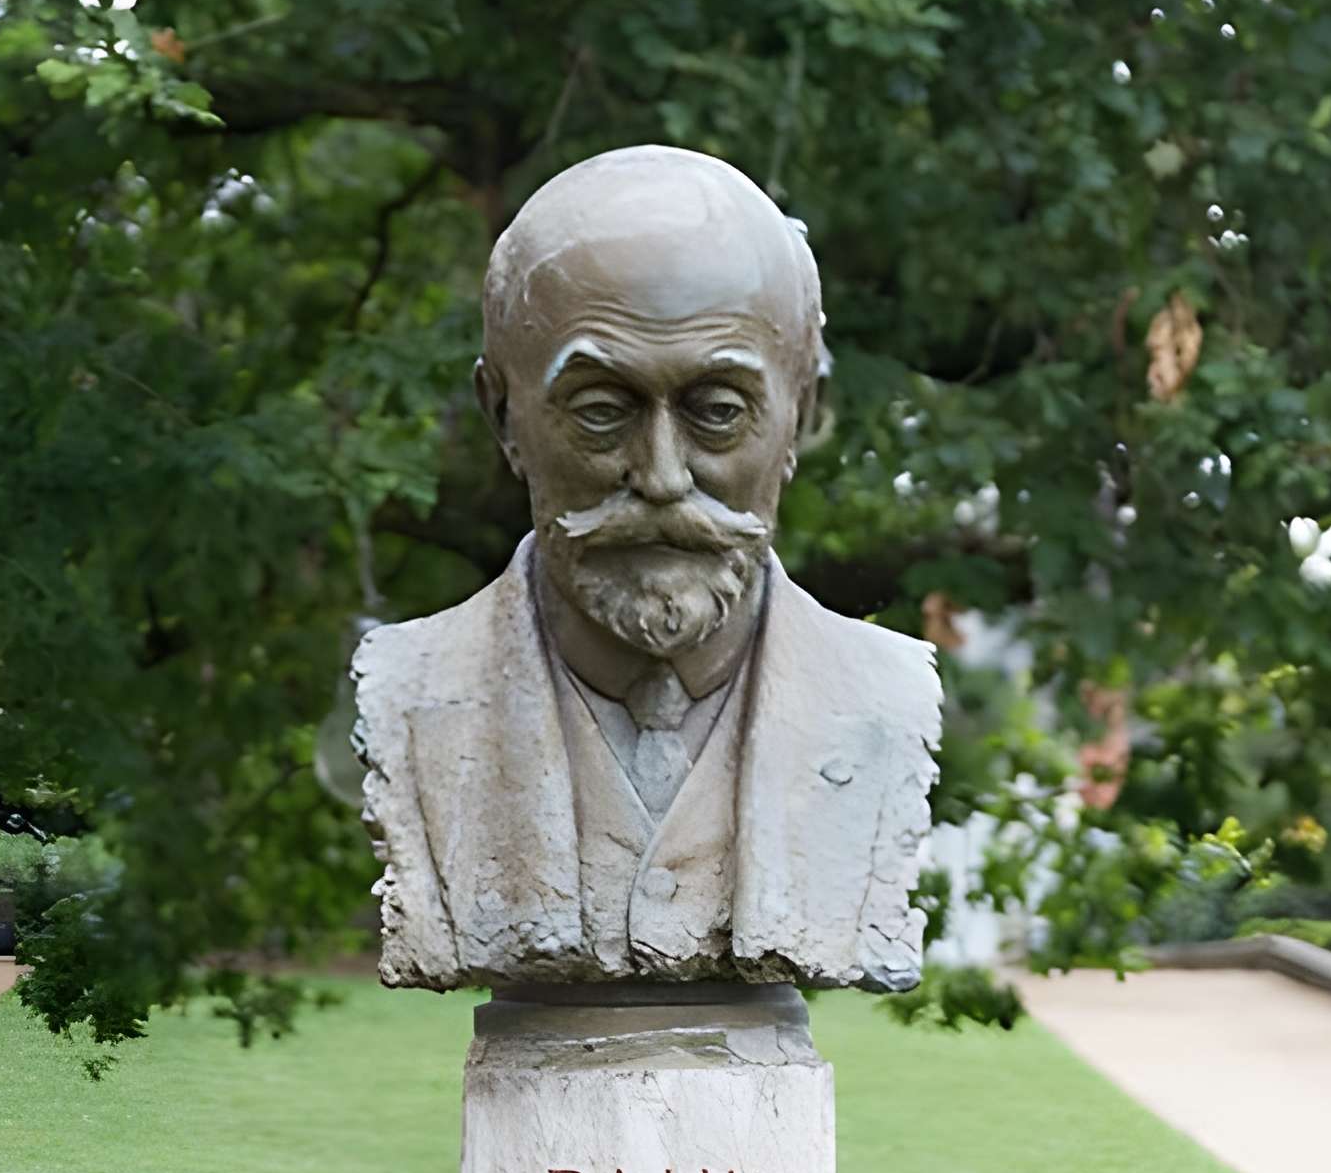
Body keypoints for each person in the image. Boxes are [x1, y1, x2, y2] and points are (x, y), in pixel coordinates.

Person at [353, 145, 937, 996]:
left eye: (718, 413)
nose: (662, 476)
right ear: (505, 418)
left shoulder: (888, 702)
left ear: (801, 415)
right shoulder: (411, 696)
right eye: (599, 412)